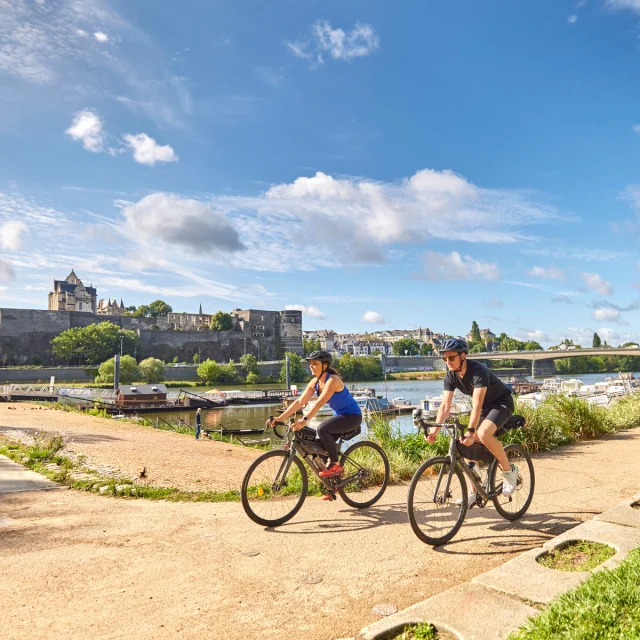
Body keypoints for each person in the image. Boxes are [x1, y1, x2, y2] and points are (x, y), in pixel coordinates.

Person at [426, 338, 519, 504]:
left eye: (451, 358)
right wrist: (435, 431)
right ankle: (474, 492)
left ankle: (509, 470)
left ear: (463, 356)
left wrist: (471, 431)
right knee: (464, 442)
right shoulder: (450, 376)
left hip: (501, 403)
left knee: (482, 434)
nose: (447, 362)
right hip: (485, 409)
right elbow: (445, 406)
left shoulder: (478, 372)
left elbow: (477, 404)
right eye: (445, 359)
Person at [267, 350, 362, 499]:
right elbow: (299, 402)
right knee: (320, 449)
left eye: (315, 363)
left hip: (352, 417)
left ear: (325, 365)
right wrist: (280, 418)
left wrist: (304, 420)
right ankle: (332, 487)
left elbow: (320, 402)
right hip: (340, 417)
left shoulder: (333, 380)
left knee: (322, 428)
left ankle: (336, 465)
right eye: (310, 364)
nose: (311, 366)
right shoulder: (315, 382)